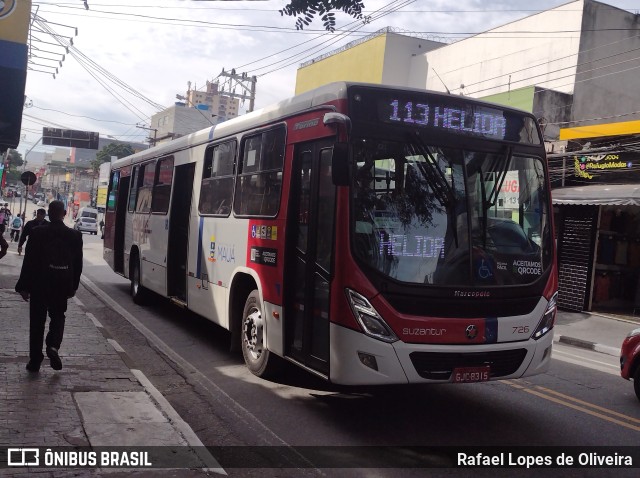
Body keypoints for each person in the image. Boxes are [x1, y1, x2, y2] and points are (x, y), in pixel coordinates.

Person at [15, 201, 83, 373]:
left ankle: (35, 360)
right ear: (64, 213)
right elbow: (78, 264)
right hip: (61, 284)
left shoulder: (37, 233)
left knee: (37, 322)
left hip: (40, 284)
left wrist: (23, 286)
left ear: (49, 214)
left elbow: (28, 262)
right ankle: (53, 345)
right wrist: (73, 286)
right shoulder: (74, 235)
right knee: (58, 316)